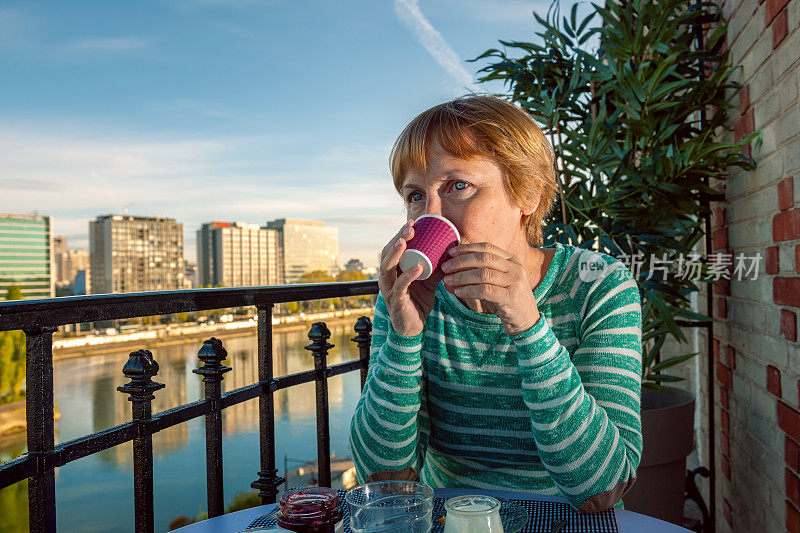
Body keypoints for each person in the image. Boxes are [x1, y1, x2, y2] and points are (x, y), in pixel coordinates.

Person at [348, 95, 643, 513]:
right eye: (415, 195)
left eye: (458, 186)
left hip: (565, 520)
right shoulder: (410, 295)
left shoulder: (598, 284)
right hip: (453, 518)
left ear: (528, 195)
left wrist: (528, 325)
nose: (429, 216)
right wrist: (403, 339)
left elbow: (602, 487)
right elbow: (384, 479)